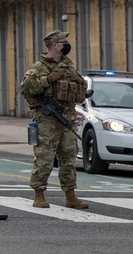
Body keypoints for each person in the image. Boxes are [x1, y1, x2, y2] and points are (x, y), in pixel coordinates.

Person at [20, 29, 89, 210]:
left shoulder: (69, 67)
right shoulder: (39, 67)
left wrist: (80, 82)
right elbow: (26, 89)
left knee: (68, 160)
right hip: (47, 120)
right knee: (44, 159)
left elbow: (81, 96)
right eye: (62, 41)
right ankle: (39, 195)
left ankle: (70, 196)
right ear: (53, 45)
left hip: (67, 119)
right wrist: (48, 79)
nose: (66, 44)